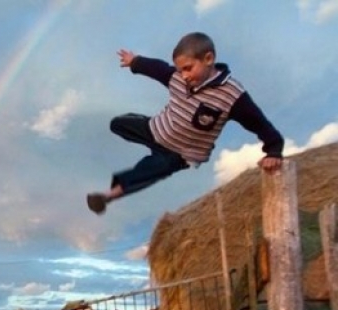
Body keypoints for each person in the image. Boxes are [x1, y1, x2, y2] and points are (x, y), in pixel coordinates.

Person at [86, 32, 284, 215]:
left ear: (208, 59)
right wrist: (134, 61)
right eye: (181, 70)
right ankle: (137, 126)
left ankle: (107, 196)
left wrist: (273, 150)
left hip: (178, 154)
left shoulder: (232, 96)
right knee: (117, 124)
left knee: (146, 172)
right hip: (155, 129)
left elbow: (259, 123)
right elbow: (157, 69)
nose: (185, 76)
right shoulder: (178, 78)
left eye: (188, 68)